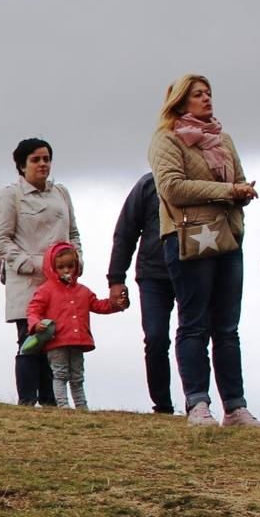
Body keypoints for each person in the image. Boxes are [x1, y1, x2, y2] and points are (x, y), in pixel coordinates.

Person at [149, 75, 260, 427]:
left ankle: (235, 406)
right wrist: (228, 191)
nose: (206, 99)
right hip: (189, 237)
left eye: (209, 93)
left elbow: (238, 180)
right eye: (198, 94)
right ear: (180, 102)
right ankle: (198, 403)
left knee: (228, 327)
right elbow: (172, 188)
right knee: (194, 322)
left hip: (228, 237)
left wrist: (243, 191)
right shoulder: (166, 140)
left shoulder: (224, 139)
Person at [0, 138, 78, 406]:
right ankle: (27, 402)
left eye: (46, 159)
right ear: (21, 165)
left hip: (61, 284)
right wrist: (35, 264)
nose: (43, 164)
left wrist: (76, 262)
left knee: (57, 344)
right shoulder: (10, 195)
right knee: (31, 341)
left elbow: (73, 233)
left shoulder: (61, 193)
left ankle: (52, 403)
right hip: (28, 283)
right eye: (36, 160)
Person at [106, 171, 177, 413]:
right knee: (156, 338)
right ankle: (163, 405)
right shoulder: (148, 183)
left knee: (195, 336)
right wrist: (116, 278)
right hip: (153, 274)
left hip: (194, 272)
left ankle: (197, 402)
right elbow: (125, 231)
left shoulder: (202, 177)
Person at [25, 243, 122, 410]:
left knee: (77, 377)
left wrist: (115, 304)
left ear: (76, 266)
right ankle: (63, 406)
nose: (66, 270)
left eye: (70, 266)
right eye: (61, 267)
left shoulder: (83, 291)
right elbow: (33, 310)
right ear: (53, 268)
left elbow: (98, 305)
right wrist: (35, 324)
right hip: (57, 341)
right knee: (60, 374)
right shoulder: (46, 290)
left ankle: (81, 407)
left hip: (78, 341)